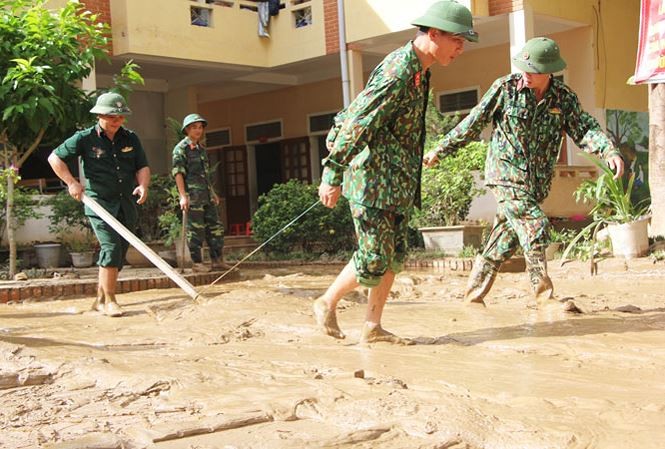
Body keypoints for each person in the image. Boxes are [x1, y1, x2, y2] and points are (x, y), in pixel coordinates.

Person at [313, 0, 478, 343]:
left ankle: (372, 327)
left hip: (397, 183)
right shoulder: (399, 70)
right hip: (373, 182)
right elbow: (358, 120)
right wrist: (333, 174)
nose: (461, 49)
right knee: (374, 257)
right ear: (434, 33)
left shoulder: (421, 70)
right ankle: (327, 301)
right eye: (458, 41)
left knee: (393, 258)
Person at [423, 37, 624, 307]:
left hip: (535, 184)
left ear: (548, 71)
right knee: (535, 225)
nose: (525, 74)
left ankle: (472, 296)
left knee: (503, 241)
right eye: (522, 68)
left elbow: (584, 128)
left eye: (532, 70)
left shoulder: (563, 98)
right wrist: (440, 150)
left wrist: (608, 151)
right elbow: (473, 123)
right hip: (504, 175)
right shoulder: (505, 89)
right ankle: (544, 297)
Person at [49, 92, 151, 317]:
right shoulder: (84, 138)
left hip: (126, 202)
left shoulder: (131, 138)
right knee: (111, 248)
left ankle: (99, 299)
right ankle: (110, 300)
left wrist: (143, 185)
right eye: (112, 116)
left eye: (121, 116)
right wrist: (72, 183)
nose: (117, 120)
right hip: (99, 203)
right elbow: (54, 158)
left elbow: (142, 165)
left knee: (120, 251)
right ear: (99, 115)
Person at [171, 113, 232, 273]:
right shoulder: (181, 149)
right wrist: (183, 195)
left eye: (200, 128)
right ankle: (197, 263)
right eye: (194, 128)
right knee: (196, 230)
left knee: (216, 228)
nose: (198, 131)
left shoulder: (201, 149)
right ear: (187, 130)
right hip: (193, 196)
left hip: (206, 195)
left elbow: (205, 174)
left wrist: (212, 192)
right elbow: (178, 172)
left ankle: (217, 260)